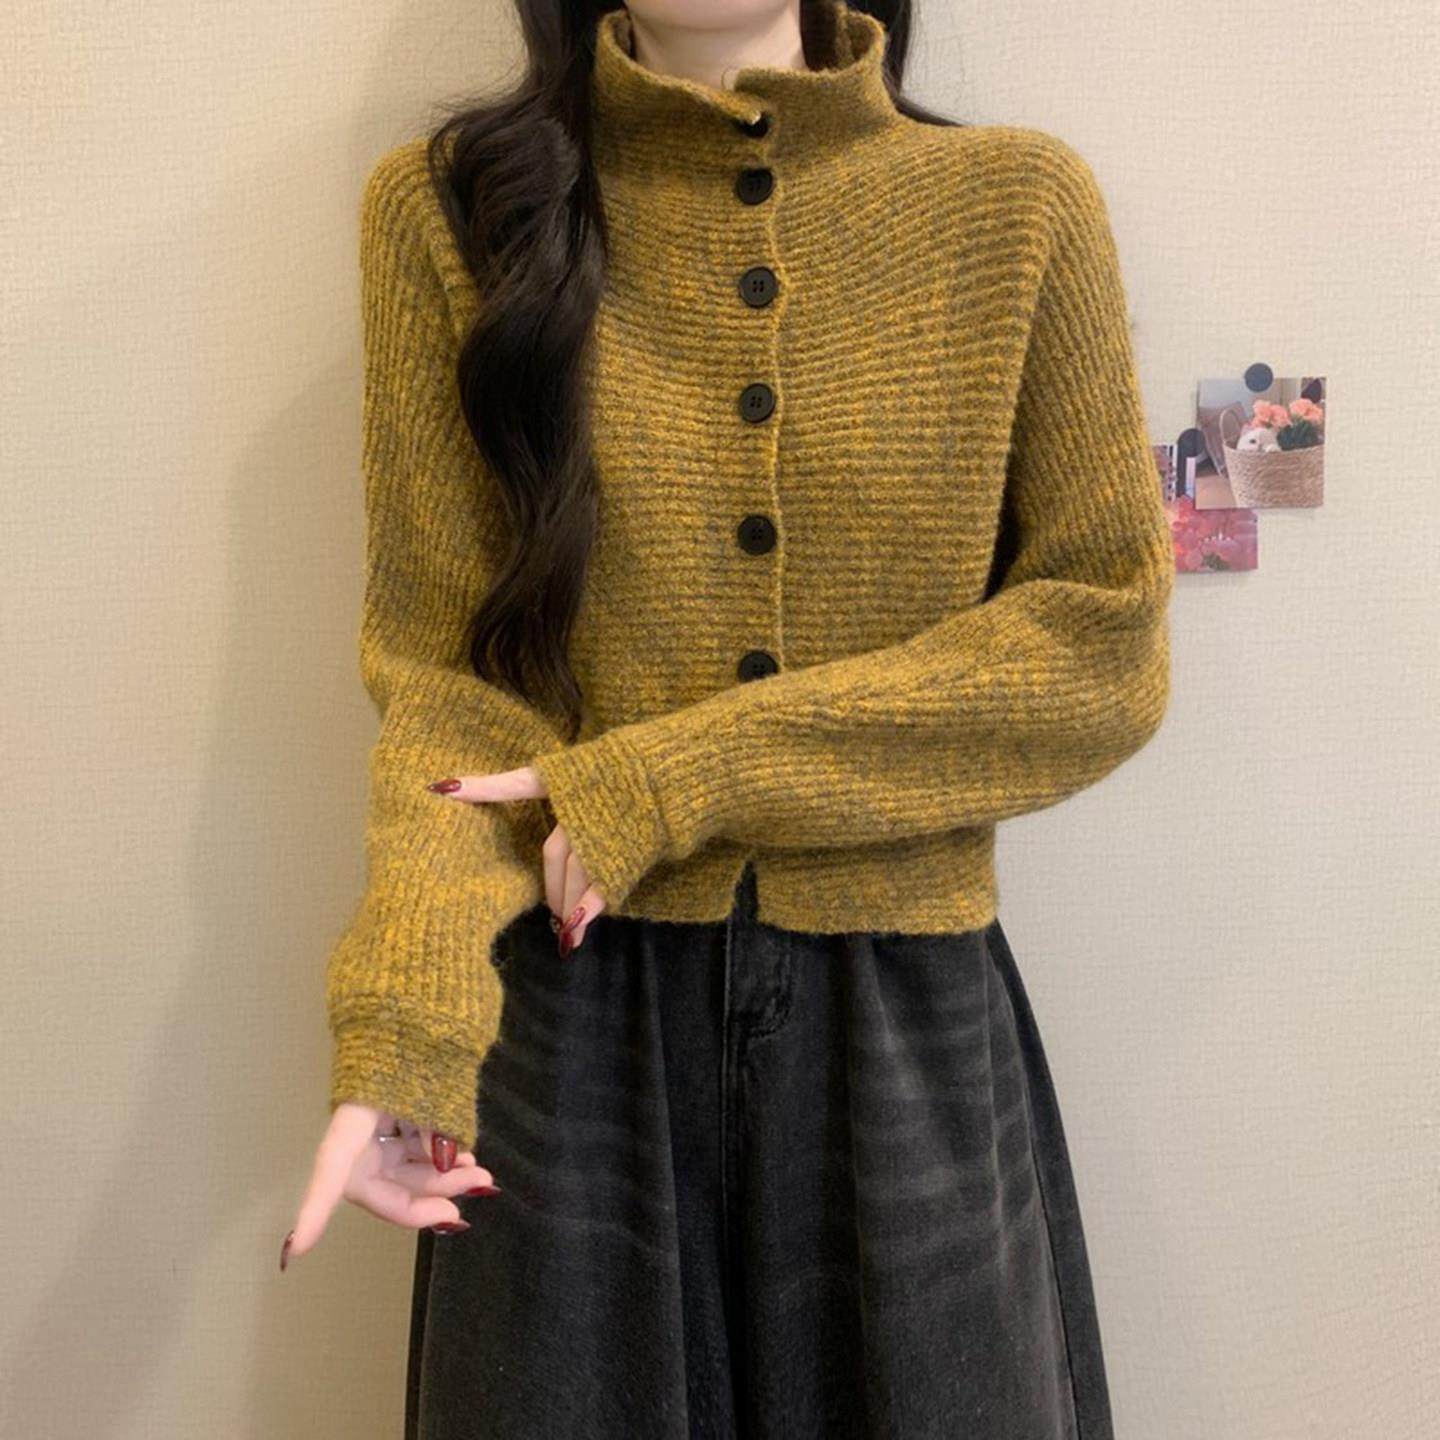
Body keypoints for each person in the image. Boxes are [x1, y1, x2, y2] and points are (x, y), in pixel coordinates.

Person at [283, 1, 1174, 1435]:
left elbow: (1103, 644)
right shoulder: (454, 216)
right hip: (568, 1014)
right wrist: (408, 1019)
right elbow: (452, 685)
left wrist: (673, 778)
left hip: (902, 1019)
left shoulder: (1015, 207)